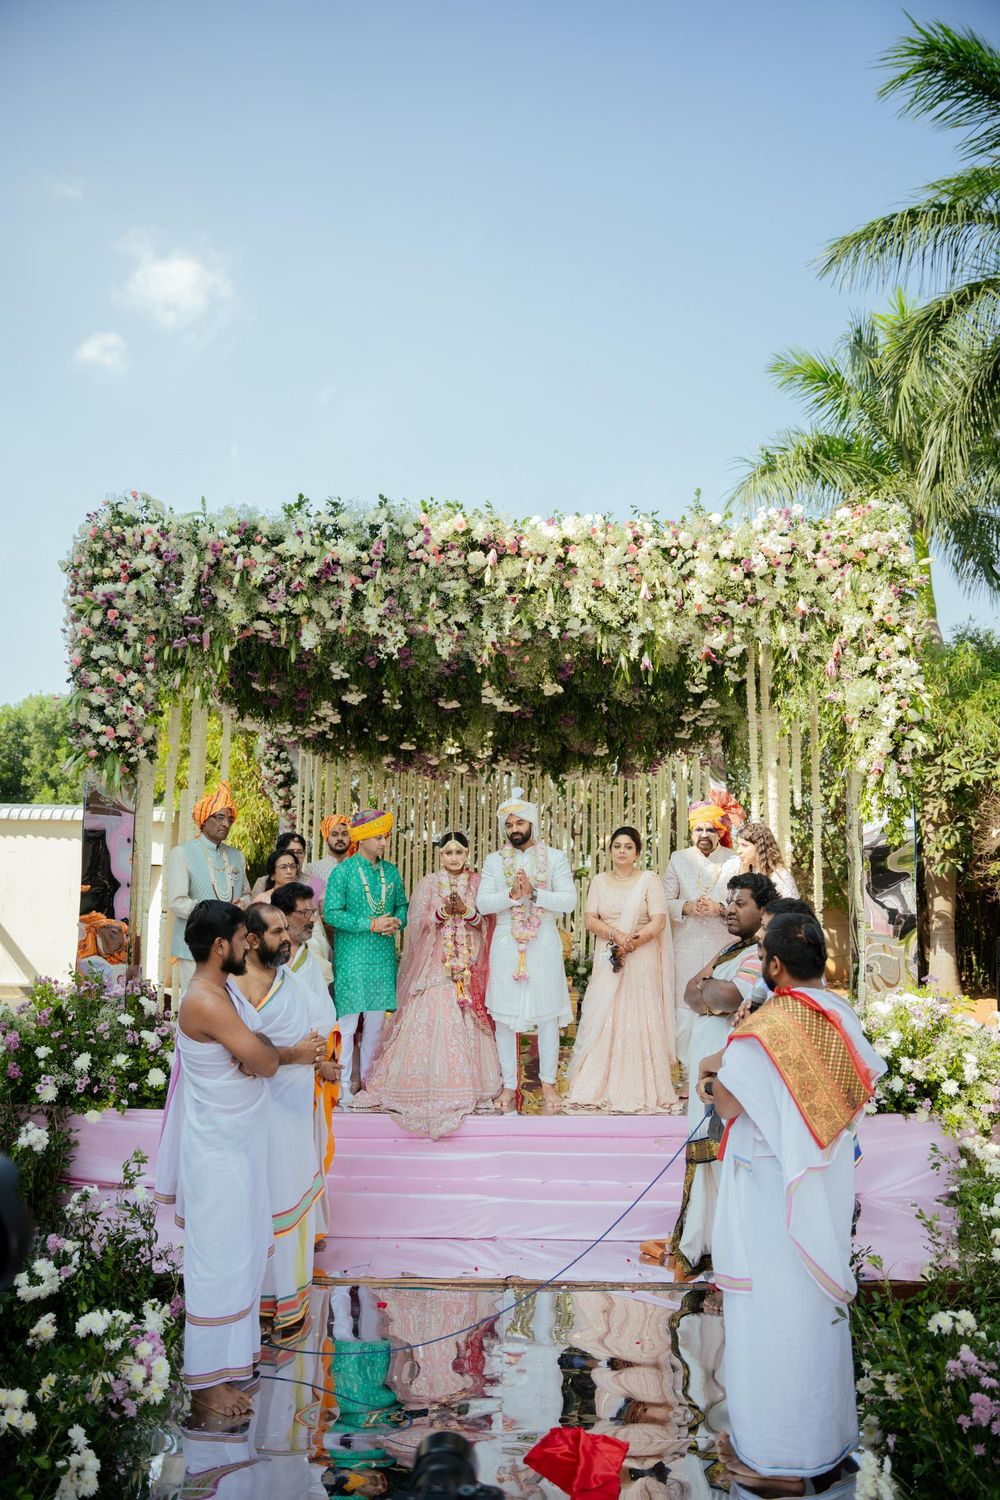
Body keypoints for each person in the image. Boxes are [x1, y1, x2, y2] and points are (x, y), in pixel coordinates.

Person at [697, 913, 885, 1495]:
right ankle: (824, 1448)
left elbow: (728, 1104)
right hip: (822, 1185)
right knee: (815, 1317)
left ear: (773, 966)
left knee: (770, 1319)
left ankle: (777, 1461)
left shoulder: (770, 1026)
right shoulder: (842, 1017)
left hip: (769, 1195)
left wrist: (715, 1072)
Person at [153, 899, 322, 1416]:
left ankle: (229, 1367)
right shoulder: (205, 999)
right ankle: (205, 1384)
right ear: (221, 945)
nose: (252, 944)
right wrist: (264, 1056)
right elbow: (265, 1060)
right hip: (218, 1156)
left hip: (239, 1149)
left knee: (243, 1257)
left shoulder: (222, 991)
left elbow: (259, 1047)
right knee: (218, 1265)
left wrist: (259, 1052)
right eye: (244, 938)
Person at [351, 832, 502, 1137]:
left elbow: (489, 922)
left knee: (466, 1014)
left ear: (468, 852)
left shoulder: (478, 883)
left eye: (459, 852)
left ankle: (469, 1085)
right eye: (448, 852)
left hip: (468, 963)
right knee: (433, 1009)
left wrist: (468, 913)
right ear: (440, 855)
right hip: (435, 963)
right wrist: (442, 913)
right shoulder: (429, 883)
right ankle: (419, 1085)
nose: (454, 858)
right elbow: (417, 922)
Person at [669, 872, 777, 1278]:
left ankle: (720, 1247)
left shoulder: (759, 954)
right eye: (728, 902)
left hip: (725, 1067)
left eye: (740, 903)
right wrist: (710, 989)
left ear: (763, 911)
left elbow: (728, 997)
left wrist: (710, 988)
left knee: (720, 1153)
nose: (730, 909)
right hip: (704, 1065)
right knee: (703, 1152)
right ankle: (704, 1240)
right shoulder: (733, 949)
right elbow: (690, 991)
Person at [231, 903, 330, 1338]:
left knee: (290, 1197)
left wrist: (319, 1054)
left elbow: (321, 1025)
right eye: (276, 932)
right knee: (256, 1204)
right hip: (251, 1116)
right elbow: (245, 1056)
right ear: (251, 940)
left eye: (285, 930)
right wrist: (297, 1053)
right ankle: (252, 1303)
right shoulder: (232, 989)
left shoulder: (291, 980)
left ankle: (288, 1304)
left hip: (291, 1114)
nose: (286, 938)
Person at [565, 826, 677, 1113]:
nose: (622, 851)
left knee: (639, 1012)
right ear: (610, 851)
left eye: (629, 846)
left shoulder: (649, 880)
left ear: (638, 853)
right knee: (605, 1013)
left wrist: (634, 942)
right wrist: (617, 937)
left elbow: (659, 919)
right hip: (609, 953)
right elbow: (590, 919)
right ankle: (598, 1082)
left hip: (642, 956)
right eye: (617, 846)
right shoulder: (600, 881)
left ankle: (642, 1087)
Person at [477, 787, 575, 1114]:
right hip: (506, 942)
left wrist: (534, 895)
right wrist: (511, 896)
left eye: (520, 822)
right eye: (509, 824)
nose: (515, 829)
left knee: (547, 1015)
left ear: (532, 822)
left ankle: (548, 1085)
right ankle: (508, 1086)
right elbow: (482, 904)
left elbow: (569, 901)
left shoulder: (556, 858)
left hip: (543, 940)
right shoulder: (493, 861)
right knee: (504, 1018)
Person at [270, 882, 341, 1244]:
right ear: (282, 916)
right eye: (305, 913)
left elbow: (322, 1014)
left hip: (309, 1067)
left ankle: (310, 1229)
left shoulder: (307, 959)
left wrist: (324, 1057)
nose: (312, 920)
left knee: (310, 1148)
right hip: (280, 1073)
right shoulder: (268, 965)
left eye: (313, 913)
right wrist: (317, 1062)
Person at [324, 809, 408, 1104]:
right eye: (378, 836)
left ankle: (369, 1087)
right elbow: (331, 913)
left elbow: (402, 907)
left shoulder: (391, 872)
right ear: (361, 839)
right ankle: (343, 1088)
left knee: (375, 1023)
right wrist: (370, 924)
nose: (384, 842)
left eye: (384, 836)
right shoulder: (343, 872)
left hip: (382, 957)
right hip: (352, 957)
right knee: (347, 1024)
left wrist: (397, 922)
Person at [661, 802, 741, 1079]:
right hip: (686, 946)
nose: (704, 834)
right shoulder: (678, 858)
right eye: (698, 829)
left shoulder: (735, 860)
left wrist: (721, 909)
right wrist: (687, 907)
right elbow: (663, 901)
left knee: (721, 1007)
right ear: (691, 832)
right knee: (685, 1010)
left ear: (720, 833)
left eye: (710, 829)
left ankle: (719, 1073)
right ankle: (686, 1072)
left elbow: (745, 902)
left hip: (724, 946)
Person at [165, 783, 250, 999]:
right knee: (197, 1000)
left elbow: (247, 894)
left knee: (228, 1001)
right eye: (219, 817)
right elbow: (177, 901)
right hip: (196, 944)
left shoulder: (237, 856)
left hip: (231, 944)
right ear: (204, 820)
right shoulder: (182, 853)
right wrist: (215, 914)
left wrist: (243, 905)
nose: (225, 824)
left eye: (229, 819)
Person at [735, 823, 798, 899]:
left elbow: (793, 909)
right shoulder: (746, 873)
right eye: (739, 845)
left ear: (759, 847)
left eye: (744, 845)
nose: (739, 851)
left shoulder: (780, 876)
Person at [251, 832, 308, 899]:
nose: (295, 856)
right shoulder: (262, 884)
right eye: (291, 852)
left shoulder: (316, 885)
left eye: (300, 852)